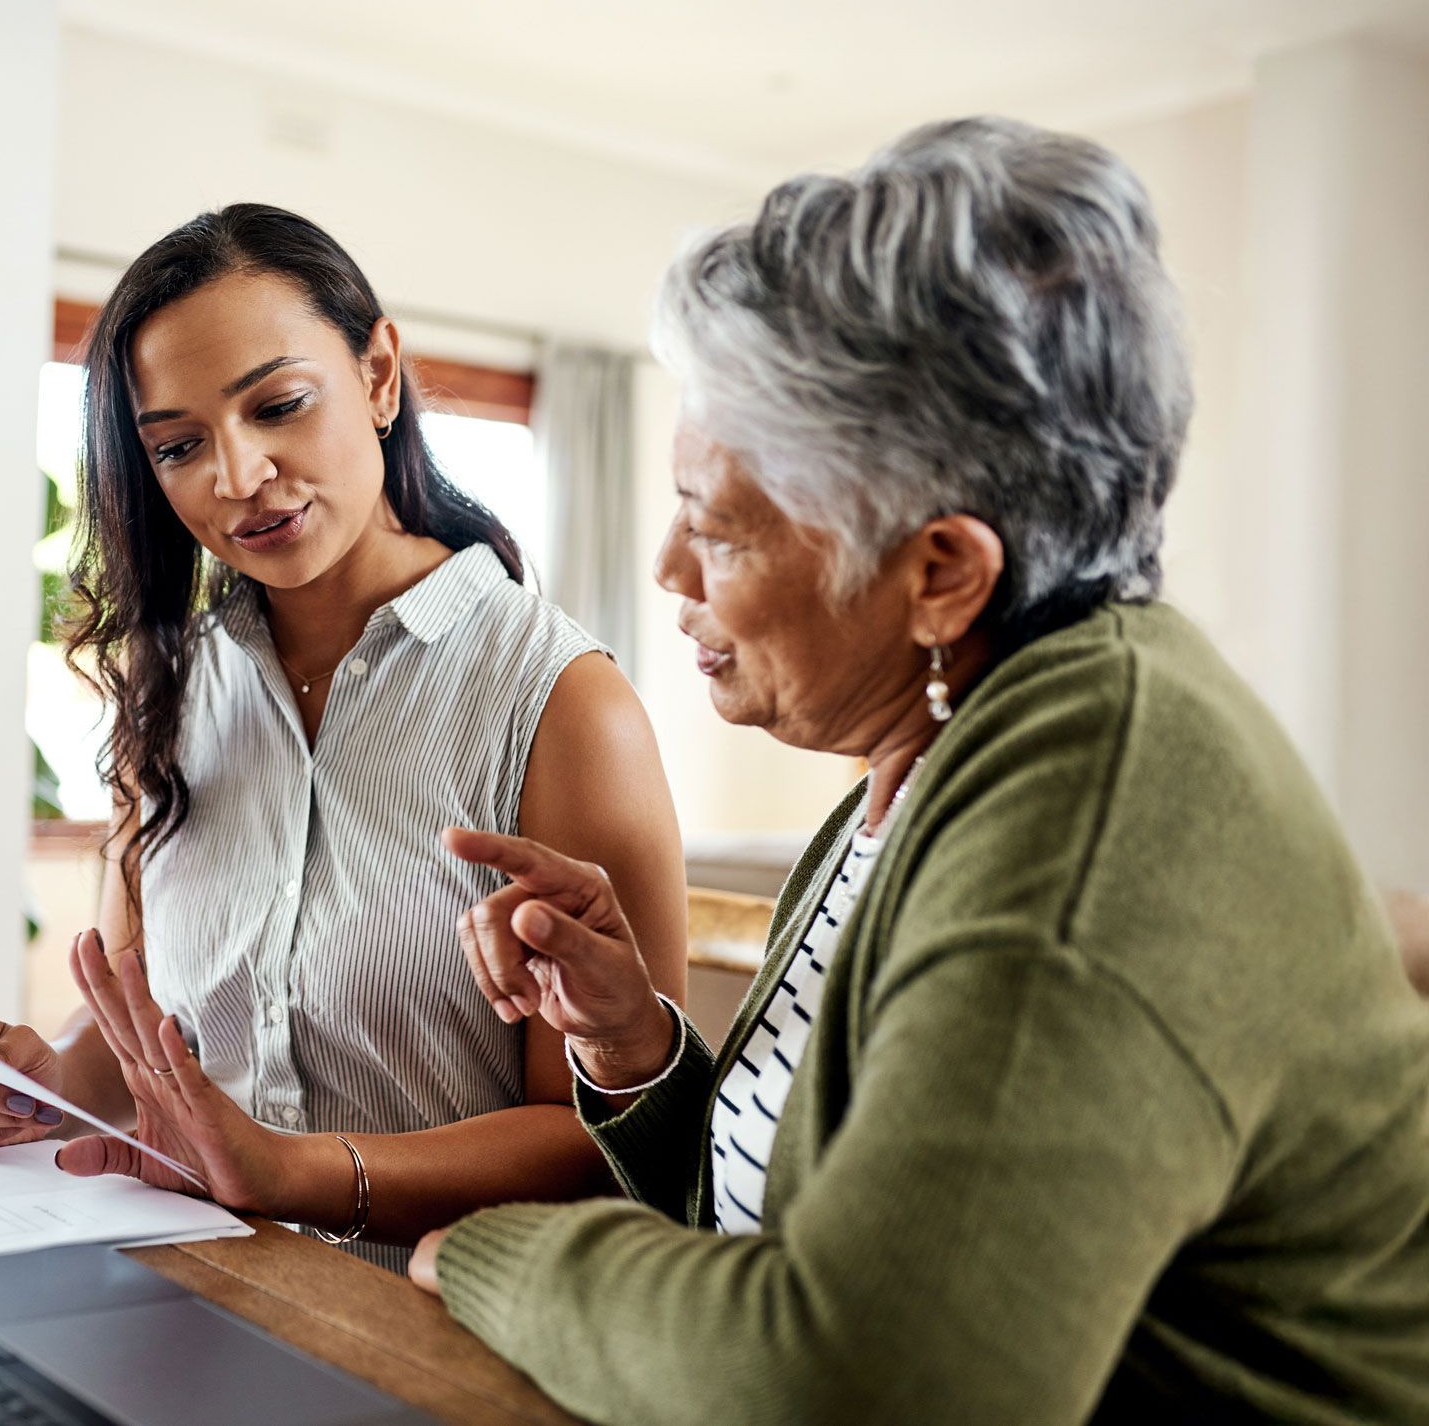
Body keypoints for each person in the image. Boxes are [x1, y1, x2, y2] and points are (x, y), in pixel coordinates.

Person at [405, 119, 1429, 1421]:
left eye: (714, 525)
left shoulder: (1084, 810)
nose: (666, 569)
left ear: (939, 572)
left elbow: (864, 1380)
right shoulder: (938, 752)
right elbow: (794, 1226)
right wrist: (627, 1044)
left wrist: (496, 1250)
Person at [0, 205, 686, 1271]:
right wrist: (35, 1083)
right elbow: (148, 1031)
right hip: (189, 1300)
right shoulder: (170, 687)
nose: (237, 477)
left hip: (432, 1330)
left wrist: (294, 1170)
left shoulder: (561, 703)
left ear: (378, 374)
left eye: (277, 405)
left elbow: (612, 1139)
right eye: (179, 445)